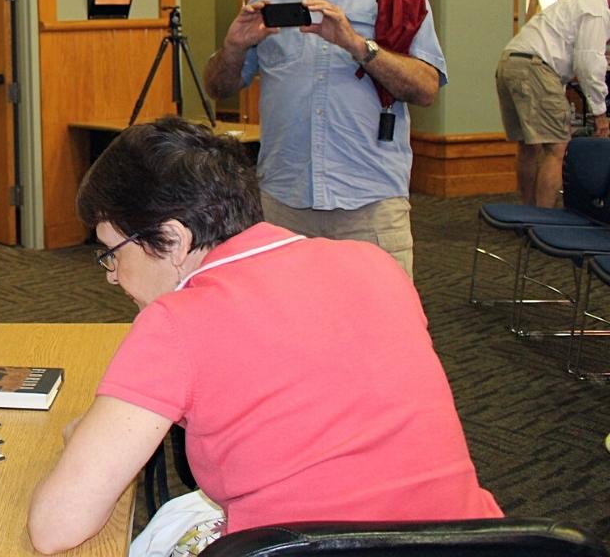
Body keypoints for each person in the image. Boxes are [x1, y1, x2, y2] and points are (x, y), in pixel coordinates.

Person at [28, 118, 500, 555]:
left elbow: (56, 527)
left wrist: (88, 437)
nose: (112, 276)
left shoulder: (177, 320)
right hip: (474, 544)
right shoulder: (374, 263)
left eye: (113, 252)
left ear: (173, 240)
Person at [202, 0, 447, 277]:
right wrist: (233, 48)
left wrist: (358, 45)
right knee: (285, 326)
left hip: (369, 204)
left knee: (378, 328)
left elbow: (425, 88)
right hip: (284, 202)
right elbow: (218, 85)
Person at [495, 0, 610, 207]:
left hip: (510, 64)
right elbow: (587, 64)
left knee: (529, 145)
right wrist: (600, 115)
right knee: (556, 147)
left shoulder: (579, 2)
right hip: (535, 68)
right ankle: (544, 222)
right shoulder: (597, 12)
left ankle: (528, 214)